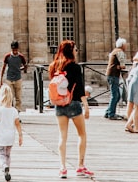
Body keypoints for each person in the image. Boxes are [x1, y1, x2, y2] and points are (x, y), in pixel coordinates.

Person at [49, 39, 93, 179]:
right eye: (75, 49)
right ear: (71, 51)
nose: (76, 51)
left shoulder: (55, 66)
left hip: (59, 104)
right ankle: (80, 166)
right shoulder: (74, 67)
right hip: (73, 103)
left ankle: (62, 167)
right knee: (82, 134)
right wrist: (86, 106)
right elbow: (80, 88)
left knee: (63, 137)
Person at [0, 83, 23, 182]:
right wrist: (20, 136)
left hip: (2, 137)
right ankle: (7, 170)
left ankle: (4, 166)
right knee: (8, 154)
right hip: (11, 137)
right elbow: (18, 124)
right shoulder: (14, 111)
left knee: (1, 154)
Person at [104, 37, 127, 120]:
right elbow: (122, 65)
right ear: (122, 45)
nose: (126, 46)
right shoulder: (120, 52)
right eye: (125, 45)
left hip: (110, 74)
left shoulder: (114, 51)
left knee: (116, 95)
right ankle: (111, 114)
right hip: (113, 75)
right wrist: (121, 66)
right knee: (115, 95)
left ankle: (108, 111)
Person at [1, 41, 27, 112]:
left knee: (18, 97)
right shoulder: (7, 56)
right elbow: (3, 67)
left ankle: (17, 112)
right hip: (9, 79)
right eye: (13, 50)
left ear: (18, 49)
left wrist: (20, 69)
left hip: (18, 79)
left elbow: (25, 66)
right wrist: (1, 79)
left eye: (16, 50)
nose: (15, 51)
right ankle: (11, 111)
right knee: (10, 96)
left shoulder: (21, 56)